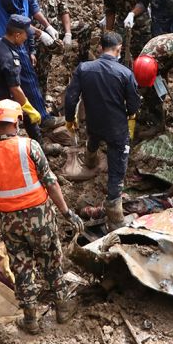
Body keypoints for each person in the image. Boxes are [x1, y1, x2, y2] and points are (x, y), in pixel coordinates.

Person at [0, 99, 83, 334]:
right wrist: (67, 212)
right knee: (51, 260)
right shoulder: (30, 146)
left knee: (22, 268)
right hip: (41, 218)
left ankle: (30, 320)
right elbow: (51, 183)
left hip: (10, 222)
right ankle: (63, 309)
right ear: (17, 121)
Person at [65, 31, 141, 230]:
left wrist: (68, 119)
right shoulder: (125, 73)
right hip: (117, 127)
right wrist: (127, 111)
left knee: (93, 138)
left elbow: (71, 97)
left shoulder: (84, 68)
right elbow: (133, 105)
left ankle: (90, 160)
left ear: (100, 48)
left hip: (94, 121)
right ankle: (115, 216)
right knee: (117, 171)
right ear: (119, 49)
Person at [0, 0, 61, 128]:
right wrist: (40, 35)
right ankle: (41, 119)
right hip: (9, 38)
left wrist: (48, 26)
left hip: (20, 36)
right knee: (26, 78)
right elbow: (19, 22)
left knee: (21, 78)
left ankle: (20, 116)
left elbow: (33, 7)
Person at [0, 15, 45, 141]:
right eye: (25, 35)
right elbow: (15, 89)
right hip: (4, 106)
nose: (26, 38)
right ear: (17, 35)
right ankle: (39, 146)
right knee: (28, 115)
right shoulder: (10, 58)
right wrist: (30, 109)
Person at [31, 0, 72, 100]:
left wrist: (68, 33)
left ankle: (40, 100)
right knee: (31, 72)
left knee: (43, 71)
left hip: (50, 38)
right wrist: (39, 33)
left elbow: (64, 11)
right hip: (32, 39)